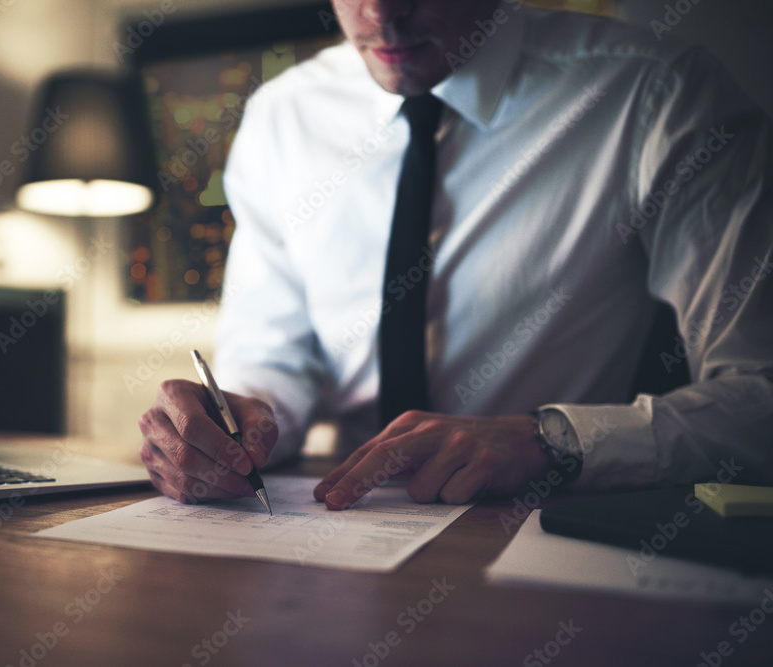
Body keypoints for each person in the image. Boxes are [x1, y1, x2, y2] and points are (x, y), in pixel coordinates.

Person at [138, 0, 773, 510]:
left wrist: (552, 440)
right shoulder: (282, 115)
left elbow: (759, 397)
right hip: (341, 520)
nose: (382, 14)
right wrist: (241, 420)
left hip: (546, 527)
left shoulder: (656, 93)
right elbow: (275, 358)